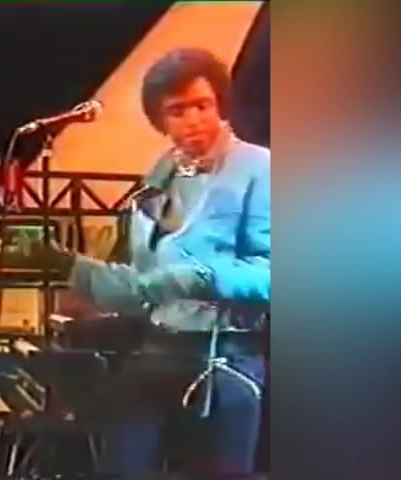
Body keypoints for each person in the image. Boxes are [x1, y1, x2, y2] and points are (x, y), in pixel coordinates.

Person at [38, 48, 269, 475]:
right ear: (160, 121)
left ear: (220, 105)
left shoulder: (259, 168)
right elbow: (143, 285)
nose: (193, 119)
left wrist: (202, 278)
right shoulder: (159, 177)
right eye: (177, 111)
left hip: (226, 358)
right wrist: (71, 267)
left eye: (202, 105)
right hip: (159, 350)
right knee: (121, 466)